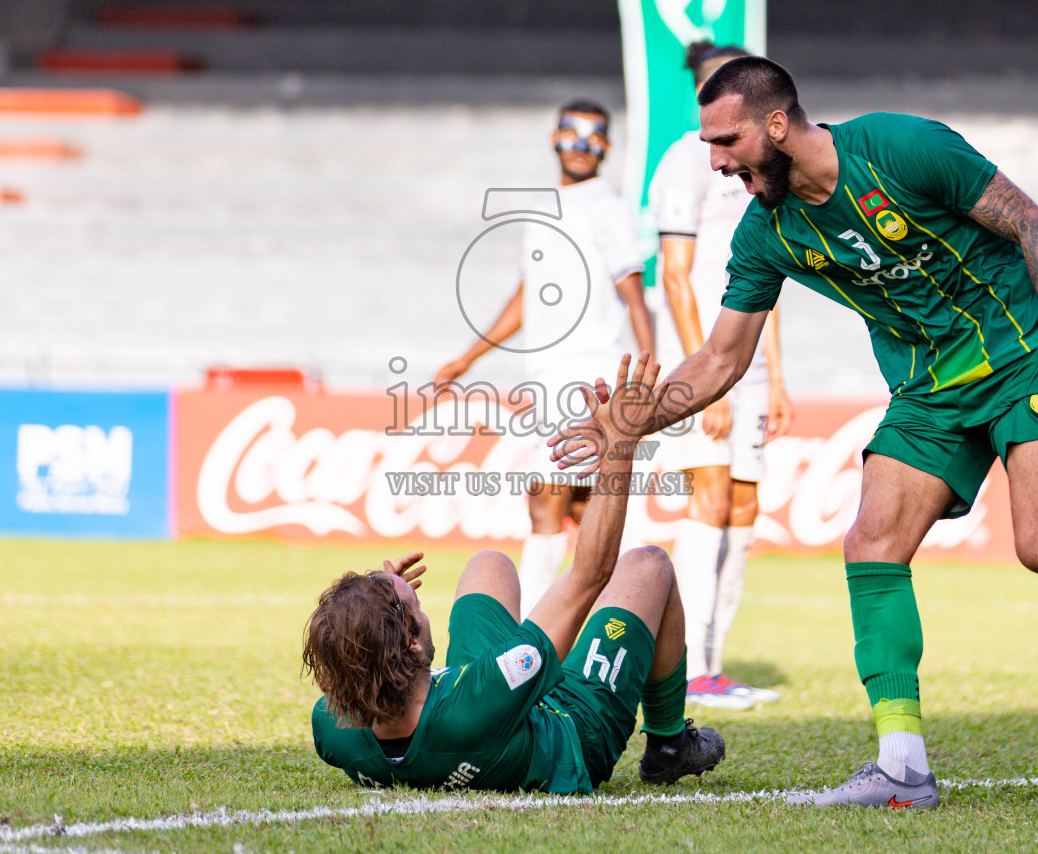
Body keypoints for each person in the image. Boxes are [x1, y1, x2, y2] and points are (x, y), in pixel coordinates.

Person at [548, 57, 1038, 810]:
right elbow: (720, 358)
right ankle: (903, 765)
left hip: (1020, 354)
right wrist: (631, 419)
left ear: (776, 125)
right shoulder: (765, 231)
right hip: (928, 388)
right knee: (871, 541)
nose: (715, 162)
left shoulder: (902, 147)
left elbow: (1033, 224)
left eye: (726, 141)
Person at [305, 354, 724, 794]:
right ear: (409, 643)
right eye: (415, 608)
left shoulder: (333, 728)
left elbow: (368, 665)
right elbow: (591, 575)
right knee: (649, 564)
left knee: (490, 564)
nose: (420, 603)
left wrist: (378, 607)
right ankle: (669, 745)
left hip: (475, 713)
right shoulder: (479, 699)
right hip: (568, 729)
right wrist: (621, 443)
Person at [435, 100, 654, 617]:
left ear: (607, 146)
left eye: (593, 135)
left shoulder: (606, 206)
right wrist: (469, 358)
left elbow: (632, 289)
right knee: (581, 503)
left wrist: (648, 367)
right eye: (572, 133)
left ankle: (531, 631)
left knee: (546, 496)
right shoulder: (545, 206)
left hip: (588, 370)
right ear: (554, 137)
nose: (581, 144)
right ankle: (631, 605)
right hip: (551, 372)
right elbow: (527, 295)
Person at [649, 41, 792, 711]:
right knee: (707, 499)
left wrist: (778, 376)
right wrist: (705, 381)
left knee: (743, 506)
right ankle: (687, 667)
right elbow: (675, 275)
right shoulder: (686, 160)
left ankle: (715, 662)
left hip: (753, 362)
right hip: (711, 359)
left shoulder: (759, 169)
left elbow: (771, 276)